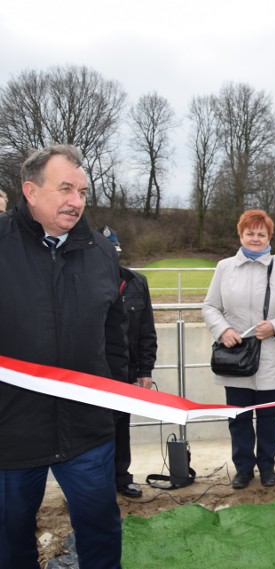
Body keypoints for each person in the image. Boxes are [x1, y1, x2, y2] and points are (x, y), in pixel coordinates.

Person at [0, 144, 128, 568]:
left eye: (84, 192)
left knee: (101, 531)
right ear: (31, 192)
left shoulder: (101, 252)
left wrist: (116, 400)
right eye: (66, 189)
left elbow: (114, 337)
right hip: (11, 433)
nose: (77, 201)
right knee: (10, 538)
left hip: (87, 433)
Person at [202, 209, 275, 489]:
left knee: (269, 416)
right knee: (239, 416)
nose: (255, 239)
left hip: (272, 354)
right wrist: (224, 330)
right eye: (250, 233)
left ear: (270, 236)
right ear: (241, 234)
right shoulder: (225, 267)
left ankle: (267, 467)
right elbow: (211, 306)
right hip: (235, 356)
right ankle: (243, 468)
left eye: (261, 234)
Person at [99, 226, 158, 499]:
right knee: (93, 433)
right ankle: (91, 486)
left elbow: (146, 330)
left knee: (122, 427)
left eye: (114, 251)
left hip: (126, 372)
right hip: (93, 373)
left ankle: (122, 478)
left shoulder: (137, 282)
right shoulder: (83, 284)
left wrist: (145, 369)